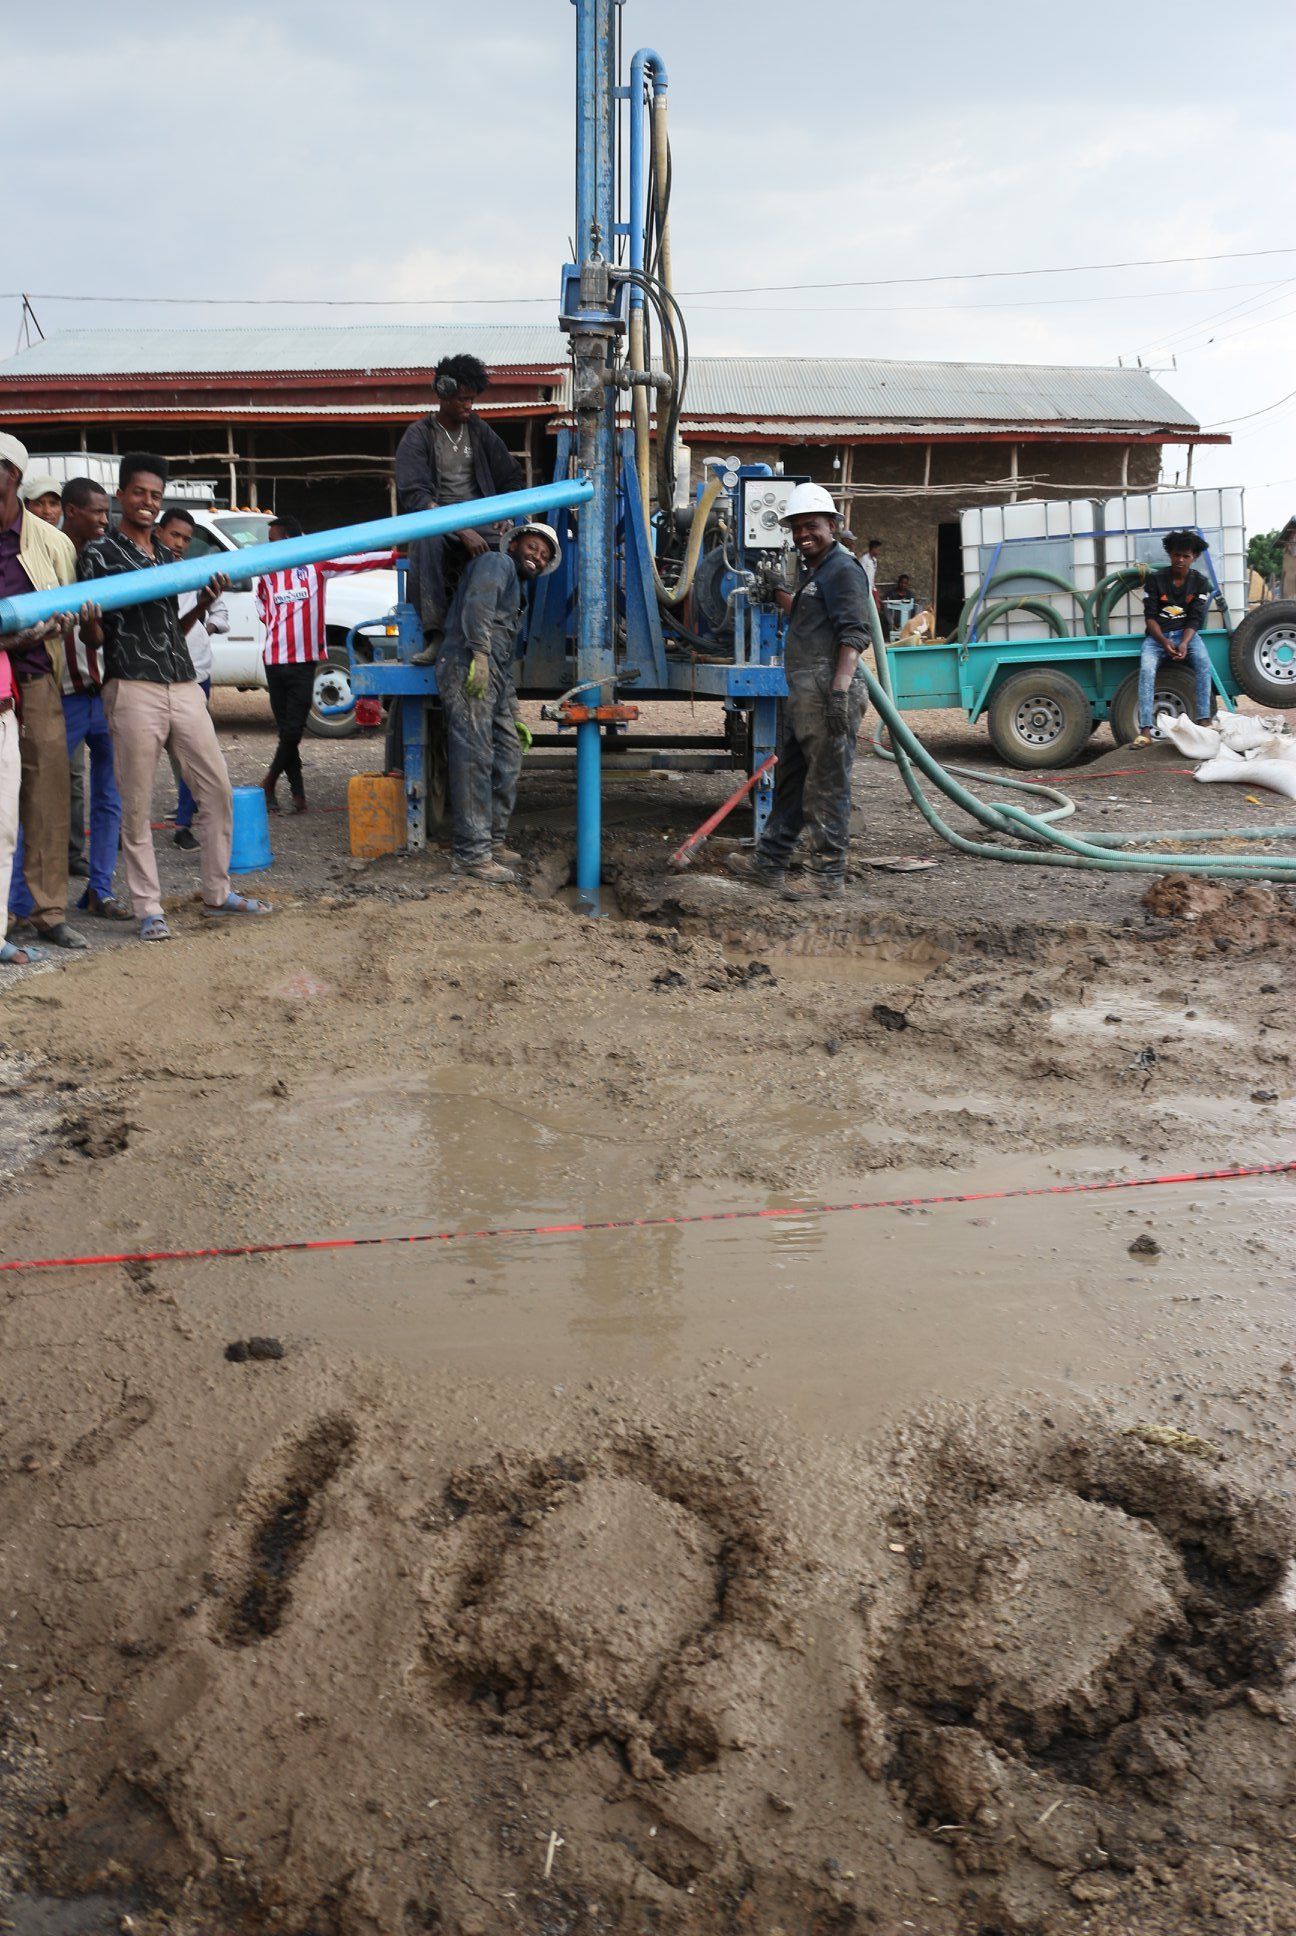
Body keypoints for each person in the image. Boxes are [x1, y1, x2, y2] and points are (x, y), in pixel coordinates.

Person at [78, 453, 270, 941]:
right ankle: (149, 909)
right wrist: (91, 620)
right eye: (140, 493)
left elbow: (173, 628)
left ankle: (217, 892)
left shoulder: (168, 558)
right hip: (132, 686)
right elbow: (96, 640)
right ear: (121, 495)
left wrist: (203, 604)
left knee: (216, 791)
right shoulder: (100, 554)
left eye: (156, 496)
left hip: (183, 684)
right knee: (136, 804)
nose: (147, 503)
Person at [728, 482, 871, 898]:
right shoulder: (817, 571)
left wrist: (840, 691)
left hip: (828, 688)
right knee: (792, 778)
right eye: (796, 528)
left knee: (826, 784)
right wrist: (777, 591)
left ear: (832, 524)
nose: (803, 535)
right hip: (805, 690)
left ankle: (826, 879)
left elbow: (854, 634)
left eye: (812, 526)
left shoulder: (843, 569)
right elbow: (808, 615)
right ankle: (769, 862)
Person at [0, 433, 87, 954]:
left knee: (47, 799)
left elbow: (74, 619)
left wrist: (61, 628)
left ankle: (48, 911)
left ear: (11, 474)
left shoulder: (52, 544)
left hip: (34, 685)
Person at [438, 522, 560, 883]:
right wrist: (478, 654)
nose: (537, 557)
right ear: (516, 542)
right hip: (466, 665)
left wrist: (512, 711)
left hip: (493, 675)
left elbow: (505, 655)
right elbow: (478, 604)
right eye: (534, 547)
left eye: (544, 555)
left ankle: (492, 840)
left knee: (507, 754)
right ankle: (471, 854)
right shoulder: (498, 563)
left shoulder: (519, 588)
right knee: (475, 756)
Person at [255, 513, 395, 812]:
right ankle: (297, 796)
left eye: (273, 540)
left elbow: (356, 559)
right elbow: (261, 605)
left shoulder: (315, 564)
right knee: (286, 732)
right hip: (273, 661)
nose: (268, 546)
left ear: (289, 539)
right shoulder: (266, 572)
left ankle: (268, 780)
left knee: (294, 730)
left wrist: (394, 555)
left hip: (304, 662)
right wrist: (276, 623)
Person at [394, 353, 525, 659]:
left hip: (481, 521)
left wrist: (506, 516)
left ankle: (505, 631)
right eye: (462, 399)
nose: (468, 405)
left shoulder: (478, 430)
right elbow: (416, 497)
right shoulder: (419, 436)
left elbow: (511, 476)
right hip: (438, 522)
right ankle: (436, 636)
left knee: (517, 547)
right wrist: (460, 529)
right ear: (443, 393)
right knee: (426, 541)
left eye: (472, 399)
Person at [155, 507, 229, 851]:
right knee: (147, 758)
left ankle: (184, 824)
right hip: (152, 678)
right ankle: (127, 830)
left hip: (194, 673)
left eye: (185, 538)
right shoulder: (140, 571)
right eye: (174, 535)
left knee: (191, 756)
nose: (180, 544)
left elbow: (220, 610)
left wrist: (205, 625)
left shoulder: (196, 570)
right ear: (159, 531)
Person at [1132, 529, 1216, 746]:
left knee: (1204, 664)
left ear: (1194, 557)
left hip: (1186, 634)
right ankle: (1145, 730)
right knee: (1147, 669)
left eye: (1186, 556)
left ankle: (1204, 721)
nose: (1180, 560)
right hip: (1157, 637)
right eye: (1176, 554)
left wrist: (1185, 643)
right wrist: (1164, 642)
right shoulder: (1154, 580)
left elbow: (1195, 619)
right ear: (1169, 553)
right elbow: (1149, 618)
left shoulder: (1201, 583)